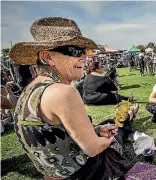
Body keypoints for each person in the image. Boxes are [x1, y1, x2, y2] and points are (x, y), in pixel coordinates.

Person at [9, 17, 135, 179]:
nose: (84, 57)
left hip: (57, 175)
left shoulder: (30, 90)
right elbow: (93, 148)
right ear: (48, 57)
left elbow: (51, 136)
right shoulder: (62, 92)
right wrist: (109, 140)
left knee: (108, 125)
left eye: (83, 51)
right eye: (75, 50)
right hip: (89, 174)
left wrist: (94, 131)